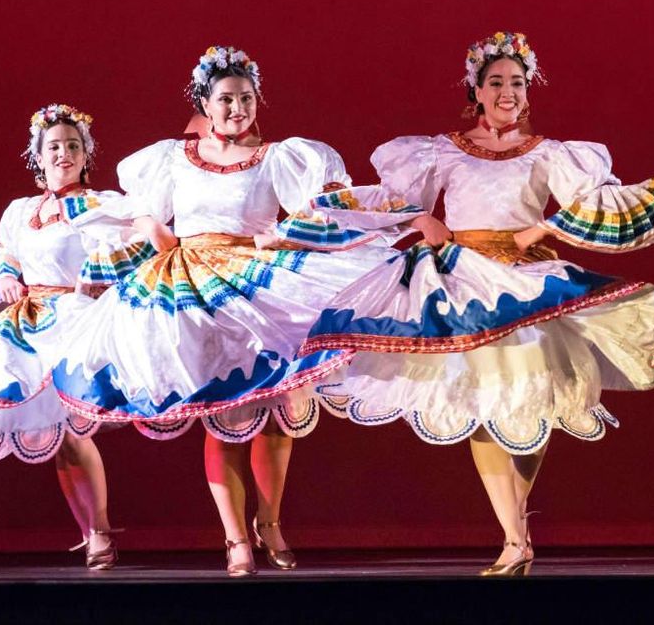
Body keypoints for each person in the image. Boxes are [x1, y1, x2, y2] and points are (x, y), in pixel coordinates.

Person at [286, 31, 654, 576]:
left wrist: (542, 227)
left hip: (528, 285)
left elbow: (591, 204)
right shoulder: (443, 150)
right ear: (476, 89)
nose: (507, 92)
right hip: (465, 282)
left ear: (529, 90)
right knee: (482, 404)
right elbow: (401, 202)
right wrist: (418, 219)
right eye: (496, 82)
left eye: (517, 83)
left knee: (533, 403)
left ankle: (516, 529)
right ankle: (514, 537)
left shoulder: (549, 153)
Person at [53, 47, 397, 576]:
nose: (236, 108)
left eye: (245, 98)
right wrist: (151, 228)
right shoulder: (172, 158)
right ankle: (235, 538)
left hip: (258, 283)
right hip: (192, 288)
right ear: (205, 106)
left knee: (276, 413)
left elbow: (320, 208)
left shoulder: (280, 156)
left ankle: (271, 521)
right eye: (226, 99)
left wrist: (281, 235)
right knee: (223, 416)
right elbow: (142, 211)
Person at [0, 104, 150, 568]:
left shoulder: (99, 207)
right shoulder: (22, 212)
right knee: (59, 436)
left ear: (86, 154)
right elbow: (8, 256)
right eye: (55, 147)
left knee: (74, 431)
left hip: (74, 320)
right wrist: (4, 276)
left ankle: (100, 530)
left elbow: (132, 250)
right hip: (27, 322)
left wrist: (98, 280)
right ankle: (90, 533)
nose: (64, 154)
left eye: (73, 146)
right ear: (38, 157)